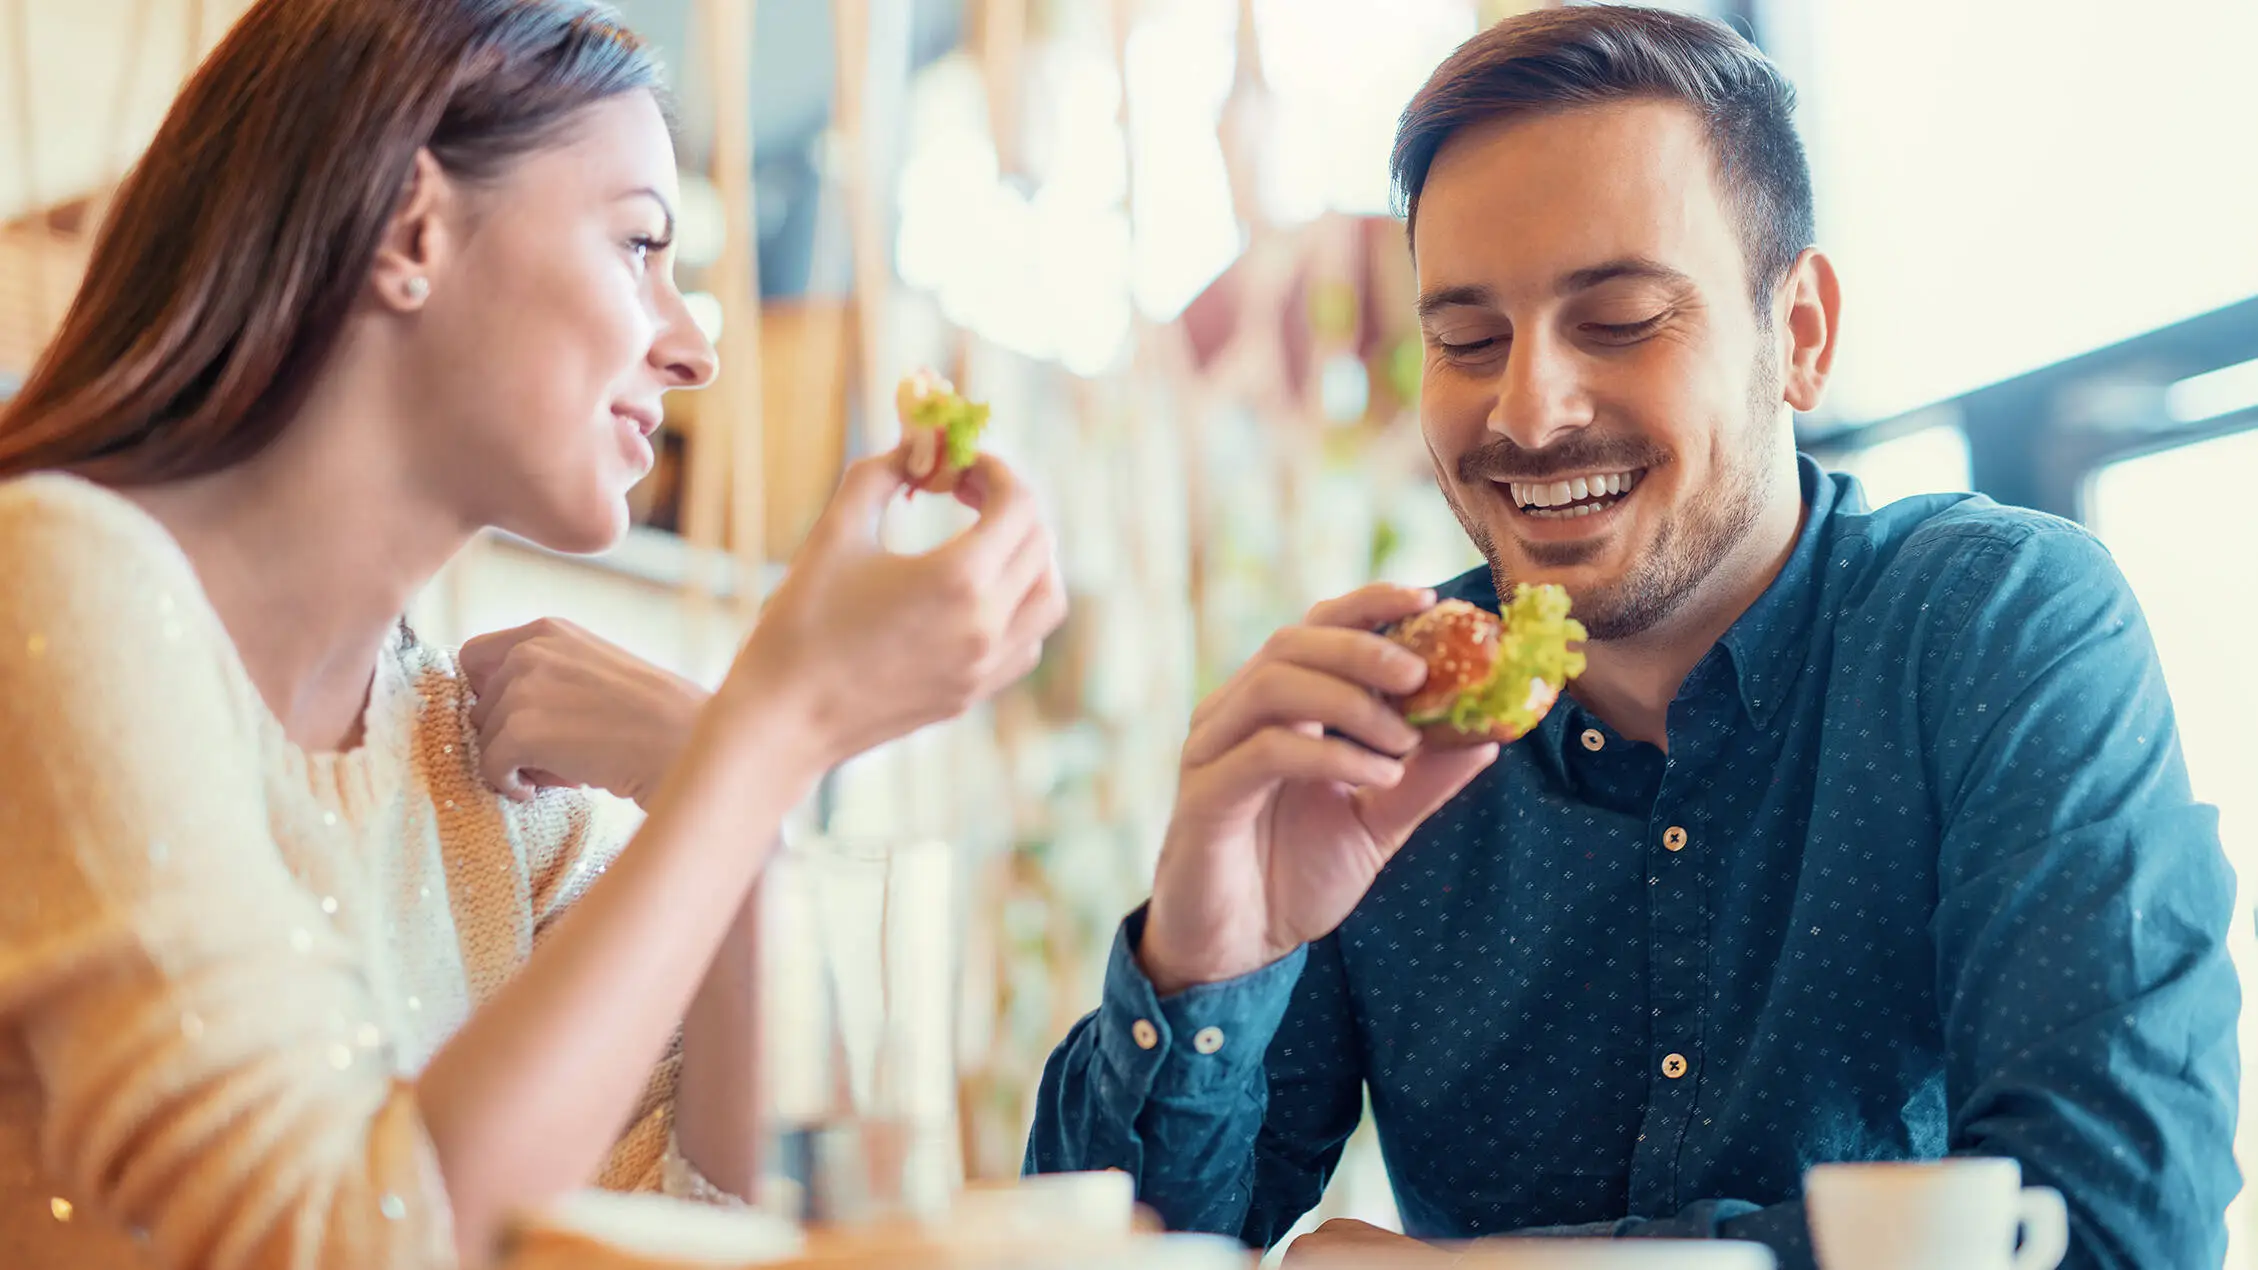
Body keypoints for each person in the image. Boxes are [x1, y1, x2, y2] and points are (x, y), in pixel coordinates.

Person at [1024, 8, 2237, 1268]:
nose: (1528, 410)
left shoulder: (1994, 629)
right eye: (1465, 340)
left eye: (1617, 320)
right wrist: (1205, 957)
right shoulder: (1376, 733)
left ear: (1800, 336)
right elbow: (1114, 1251)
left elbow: (2114, 1223)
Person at [0, 2, 1064, 1267]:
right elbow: (342, 1240)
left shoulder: (480, 776)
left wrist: (733, 805)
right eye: (639, 245)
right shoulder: (52, 581)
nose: (693, 350)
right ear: (411, 227)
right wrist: (773, 727)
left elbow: (673, 1237)